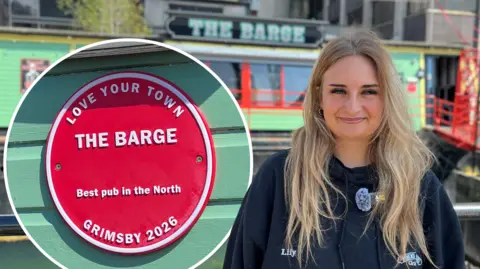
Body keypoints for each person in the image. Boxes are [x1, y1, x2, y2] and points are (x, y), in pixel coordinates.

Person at [222, 29, 465, 269]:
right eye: (338, 90)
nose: (352, 107)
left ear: (387, 98)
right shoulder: (278, 180)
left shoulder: (420, 188)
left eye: (369, 91)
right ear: (319, 96)